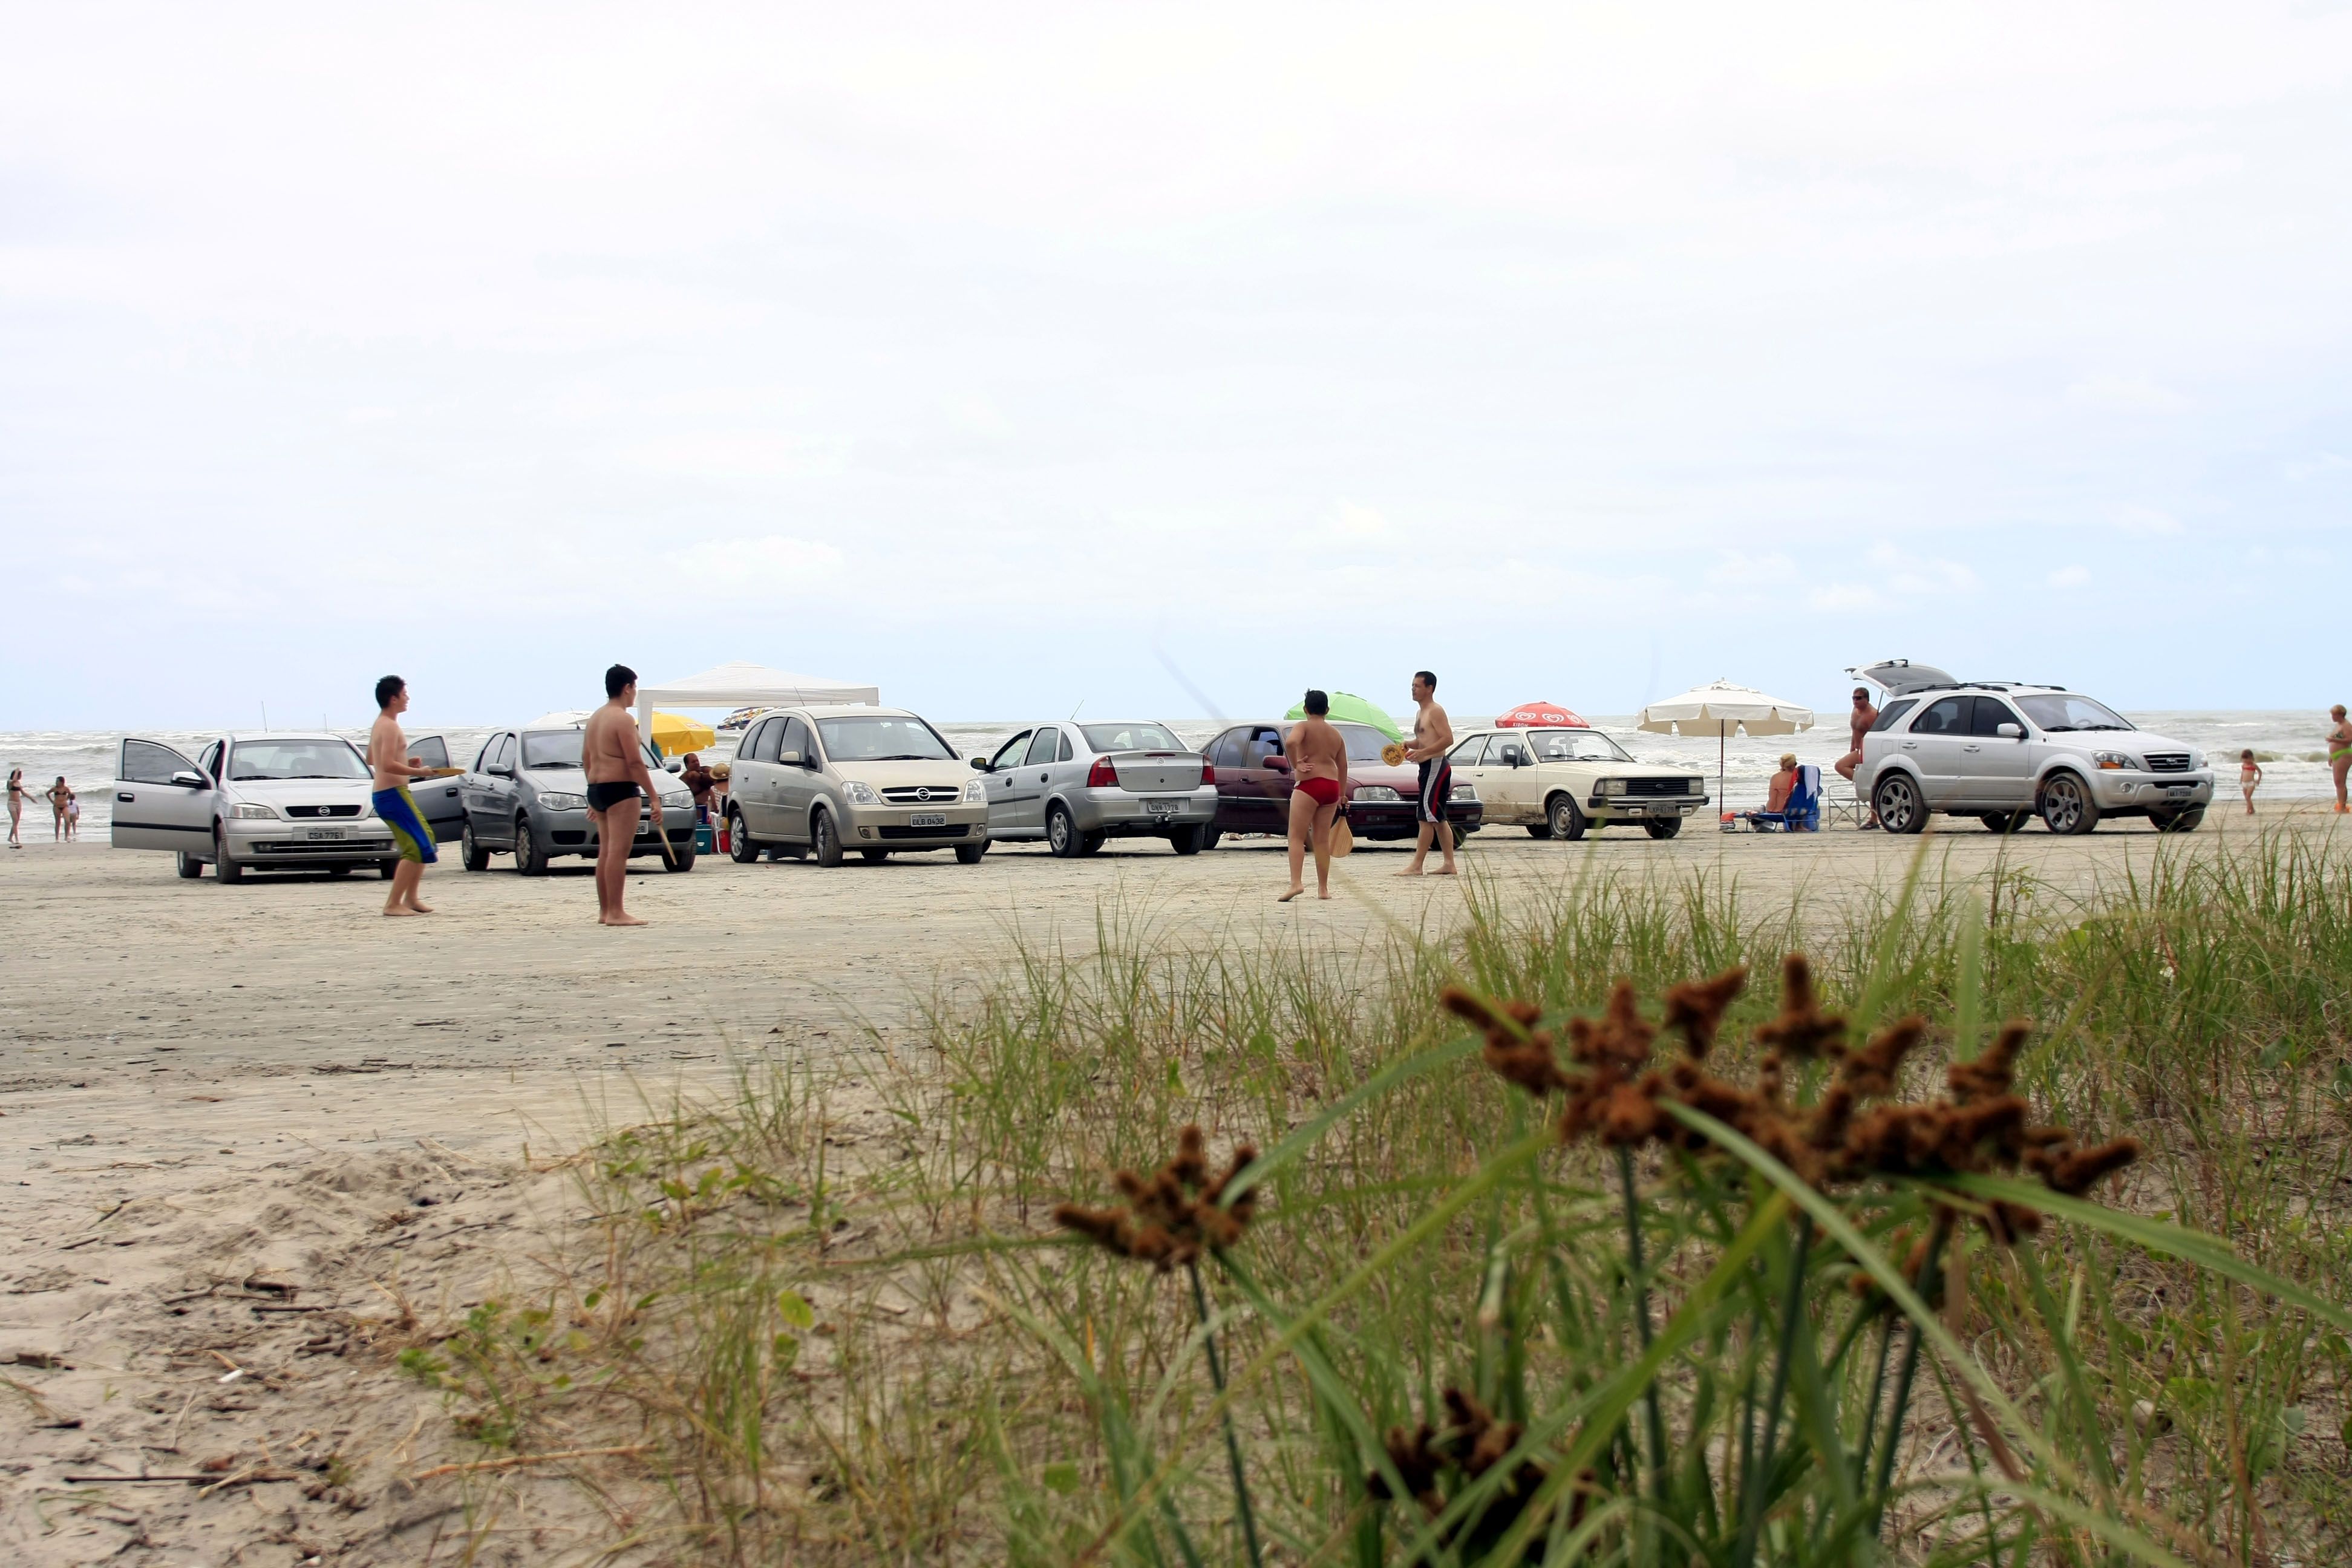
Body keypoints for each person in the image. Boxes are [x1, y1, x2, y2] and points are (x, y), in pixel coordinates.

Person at [584, 664, 662, 926]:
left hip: (597, 788)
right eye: (635, 688)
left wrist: (591, 793)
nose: (635, 693)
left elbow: (587, 758)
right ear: (627, 688)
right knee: (618, 851)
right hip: (620, 788)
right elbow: (635, 763)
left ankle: (605, 911)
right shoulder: (623, 719)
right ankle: (617, 912)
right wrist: (653, 797)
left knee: (606, 851)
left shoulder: (596, 717)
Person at [369, 675, 440, 916]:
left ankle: (411, 898)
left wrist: (405, 761)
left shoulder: (381, 723)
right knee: (415, 847)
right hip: (391, 794)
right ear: (393, 698)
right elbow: (387, 765)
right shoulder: (389, 726)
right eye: (405, 694)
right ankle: (393, 904)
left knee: (426, 840)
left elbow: (373, 759)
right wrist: (419, 771)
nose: (408, 698)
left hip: (392, 793)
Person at [1280, 690, 1349, 902]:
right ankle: (1323, 889)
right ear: (1327, 710)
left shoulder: (1302, 726)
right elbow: (1343, 765)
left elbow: (1291, 743)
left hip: (1309, 785)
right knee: (1321, 840)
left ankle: (1296, 883)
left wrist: (1296, 763)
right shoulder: (1335, 734)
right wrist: (1342, 794)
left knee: (1296, 837)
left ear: (1305, 709)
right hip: (1331, 786)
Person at [1398, 670, 1457, 876]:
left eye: (1417, 686)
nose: (1413, 689)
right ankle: (1449, 864)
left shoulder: (1435, 711)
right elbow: (1426, 740)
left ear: (1429, 688)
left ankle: (1417, 866)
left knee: (1425, 817)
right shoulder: (1421, 712)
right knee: (1438, 818)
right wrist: (1410, 745)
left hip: (1435, 765)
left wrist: (1422, 752)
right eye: (1413, 685)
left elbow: (1448, 739)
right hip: (1428, 766)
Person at [1834, 686, 1880, 827]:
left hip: (1869, 751)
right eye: (1853, 698)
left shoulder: (1873, 714)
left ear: (1866, 699)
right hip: (1858, 750)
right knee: (1843, 768)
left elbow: (1877, 735)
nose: (1855, 701)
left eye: (1859, 698)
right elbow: (1855, 731)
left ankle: (1874, 818)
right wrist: (1852, 747)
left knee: (1840, 766)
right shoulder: (1855, 711)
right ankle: (1862, 783)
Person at [1745, 754, 1800, 828]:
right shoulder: (1796, 778)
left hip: (1769, 811)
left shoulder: (1774, 777)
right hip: (1785, 813)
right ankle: (1799, 826)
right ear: (1794, 765)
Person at [681, 751, 716, 826]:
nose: (697, 763)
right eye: (693, 762)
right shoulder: (687, 777)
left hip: (711, 810)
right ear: (687, 765)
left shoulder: (705, 770)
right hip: (699, 812)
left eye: (697, 761)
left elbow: (716, 775)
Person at [2331, 707, 2352, 815]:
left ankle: (2343, 806)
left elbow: (2349, 739)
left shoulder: (2347, 725)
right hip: (2336, 755)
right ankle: (2340, 804)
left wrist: (2332, 739)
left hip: (2344, 754)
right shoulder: (2338, 726)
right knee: (2337, 782)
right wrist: (2331, 756)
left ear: (2340, 715)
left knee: (2340, 781)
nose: (2332, 717)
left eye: (2334, 715)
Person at [44, 776, 73, 841]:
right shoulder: (54, 789)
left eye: (58, 781)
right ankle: (57, 838)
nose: (56, 782)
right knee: (58, 822)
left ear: (62, 782)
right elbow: (47, 794)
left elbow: (70, 794)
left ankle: (67, 836)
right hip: (56, 806)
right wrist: (52, 801)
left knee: (67, 821)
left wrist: (67, 799)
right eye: (56, 781)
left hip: (65, 806)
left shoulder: (66, 788)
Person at [2239, 749, 2262, 817]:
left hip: (2251, 783)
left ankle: (2251, 810)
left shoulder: (2253, 765)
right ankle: (2250, 809)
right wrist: (2241, 780)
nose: (2245, 760)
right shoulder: (2243, 765)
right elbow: (2243, 773)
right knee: (2246, 798)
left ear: (2251, 758)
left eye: (2247, 759)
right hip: (2244, 783)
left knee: (2248, 797)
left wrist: (2258, 780)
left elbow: (2260, 772)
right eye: (2244, 759)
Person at [6, 768, 25, 848]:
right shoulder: (10, 782)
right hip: (12, 803)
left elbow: (23, 792)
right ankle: (17, 839)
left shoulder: (18, 783)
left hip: (19, 803)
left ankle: (10, 838)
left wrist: (31, 798)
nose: (21, 776)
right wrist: (17, 771)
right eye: (20, 775)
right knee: (15, 821)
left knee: (16, 822)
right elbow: (13, 780)